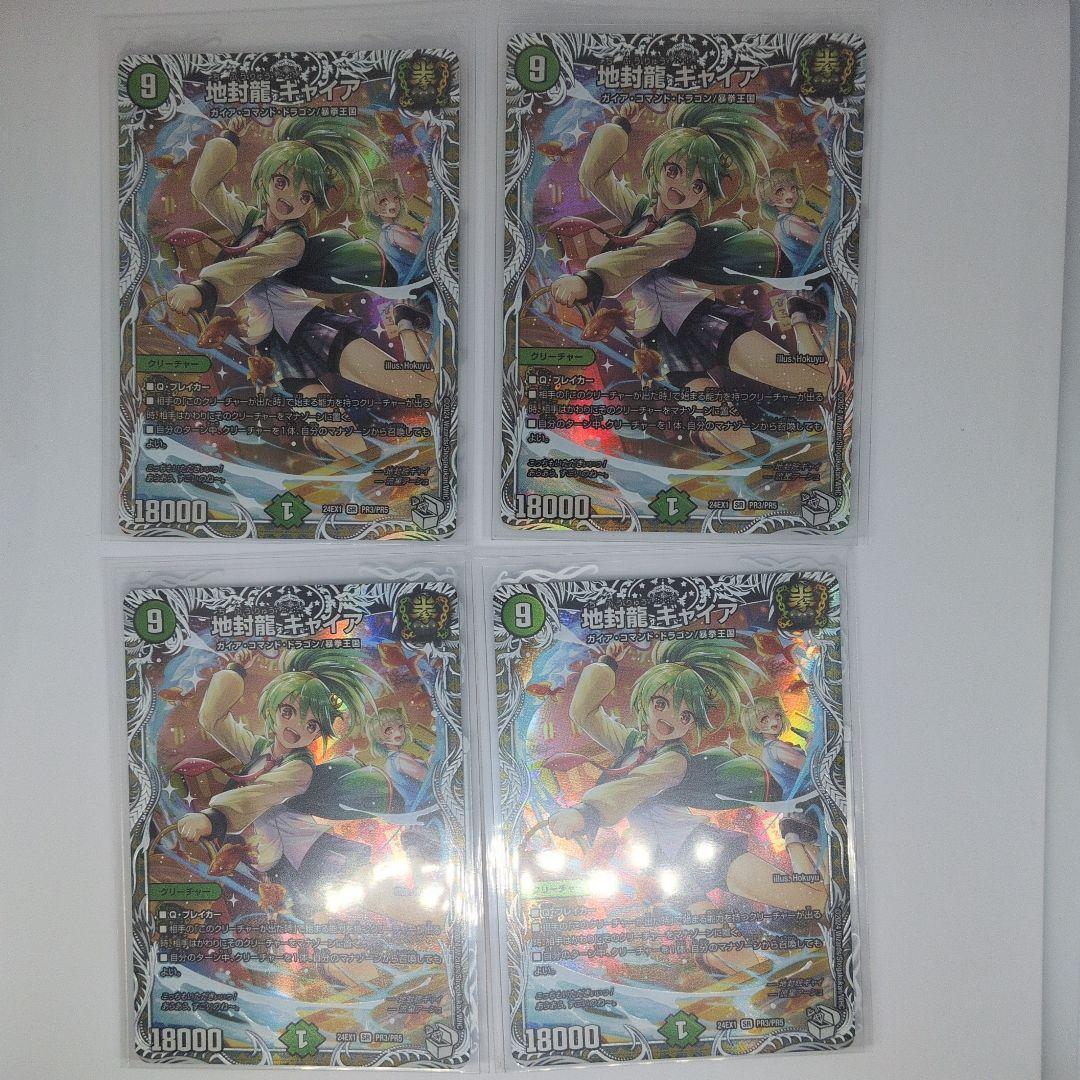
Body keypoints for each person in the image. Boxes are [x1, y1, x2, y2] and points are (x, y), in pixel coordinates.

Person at [550, 103, 830, 453]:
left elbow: (641, 255)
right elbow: (594, 176)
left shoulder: (683, 230)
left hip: (702, 323)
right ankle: (707, 437)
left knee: (814, 386)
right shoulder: (640, 212)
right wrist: (620, 126)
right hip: (665, 341)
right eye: (674, 170)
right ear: (657, 166)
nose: (682, 187)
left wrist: (589, 281)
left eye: (697, 184)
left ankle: (801, 317)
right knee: (739, 442)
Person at [543, 640, 827, 974]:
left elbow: (638, 784)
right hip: (664, 865)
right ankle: (750, 973)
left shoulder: (674, 759)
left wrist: (586, 813)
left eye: (685, 714)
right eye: (661, 703)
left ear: (692, 723)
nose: (670, 719)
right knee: (733, 954)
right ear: (646, 702)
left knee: (813, 902)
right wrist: (606, 665)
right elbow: (584, 714)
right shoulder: (631, 744)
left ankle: (795, 839)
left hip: (697, 847)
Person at [164, 116, 437, 461]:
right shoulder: (249, 222)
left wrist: (203, 290)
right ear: (265, 179)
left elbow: (252, 265)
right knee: (350, 449)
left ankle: (407, 323)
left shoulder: (292, 240)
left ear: (311, 203)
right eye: (282, 182)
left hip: (311, 329)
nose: (290, 198)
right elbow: (204, 189)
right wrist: (229, 138)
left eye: (305, 195)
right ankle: (321, 443)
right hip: (277, 349)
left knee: (420, 392)